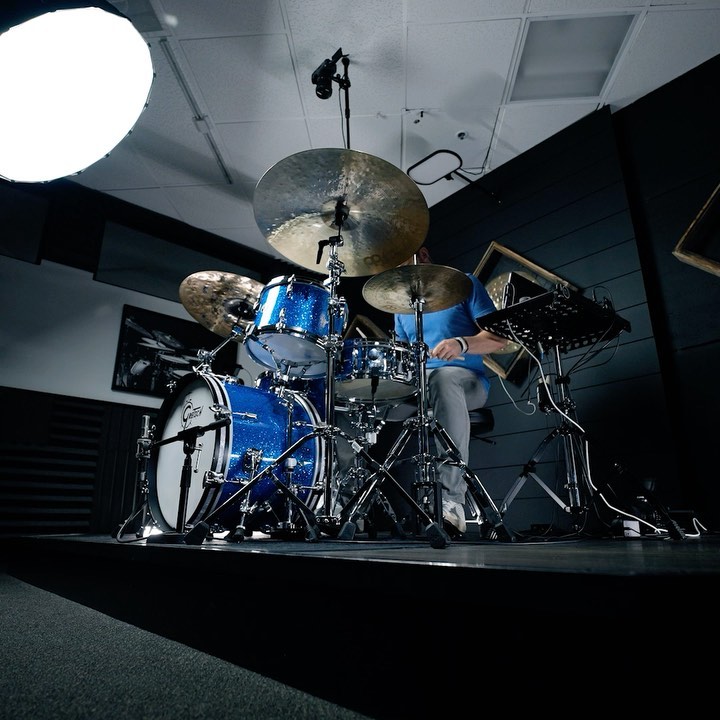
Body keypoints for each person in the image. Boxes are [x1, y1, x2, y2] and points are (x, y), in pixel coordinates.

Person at [391, 246, 507, 536]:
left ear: (424, 255)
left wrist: (462, 344)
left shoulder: (464, 284)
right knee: (352, 397)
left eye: (403, 264)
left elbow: (498, 339)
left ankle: (451, 501)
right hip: (419, 386)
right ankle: (340, 502)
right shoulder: (400, 308)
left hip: (465, 380)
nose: (400, 273)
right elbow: (402, 355)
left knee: (442, 378)